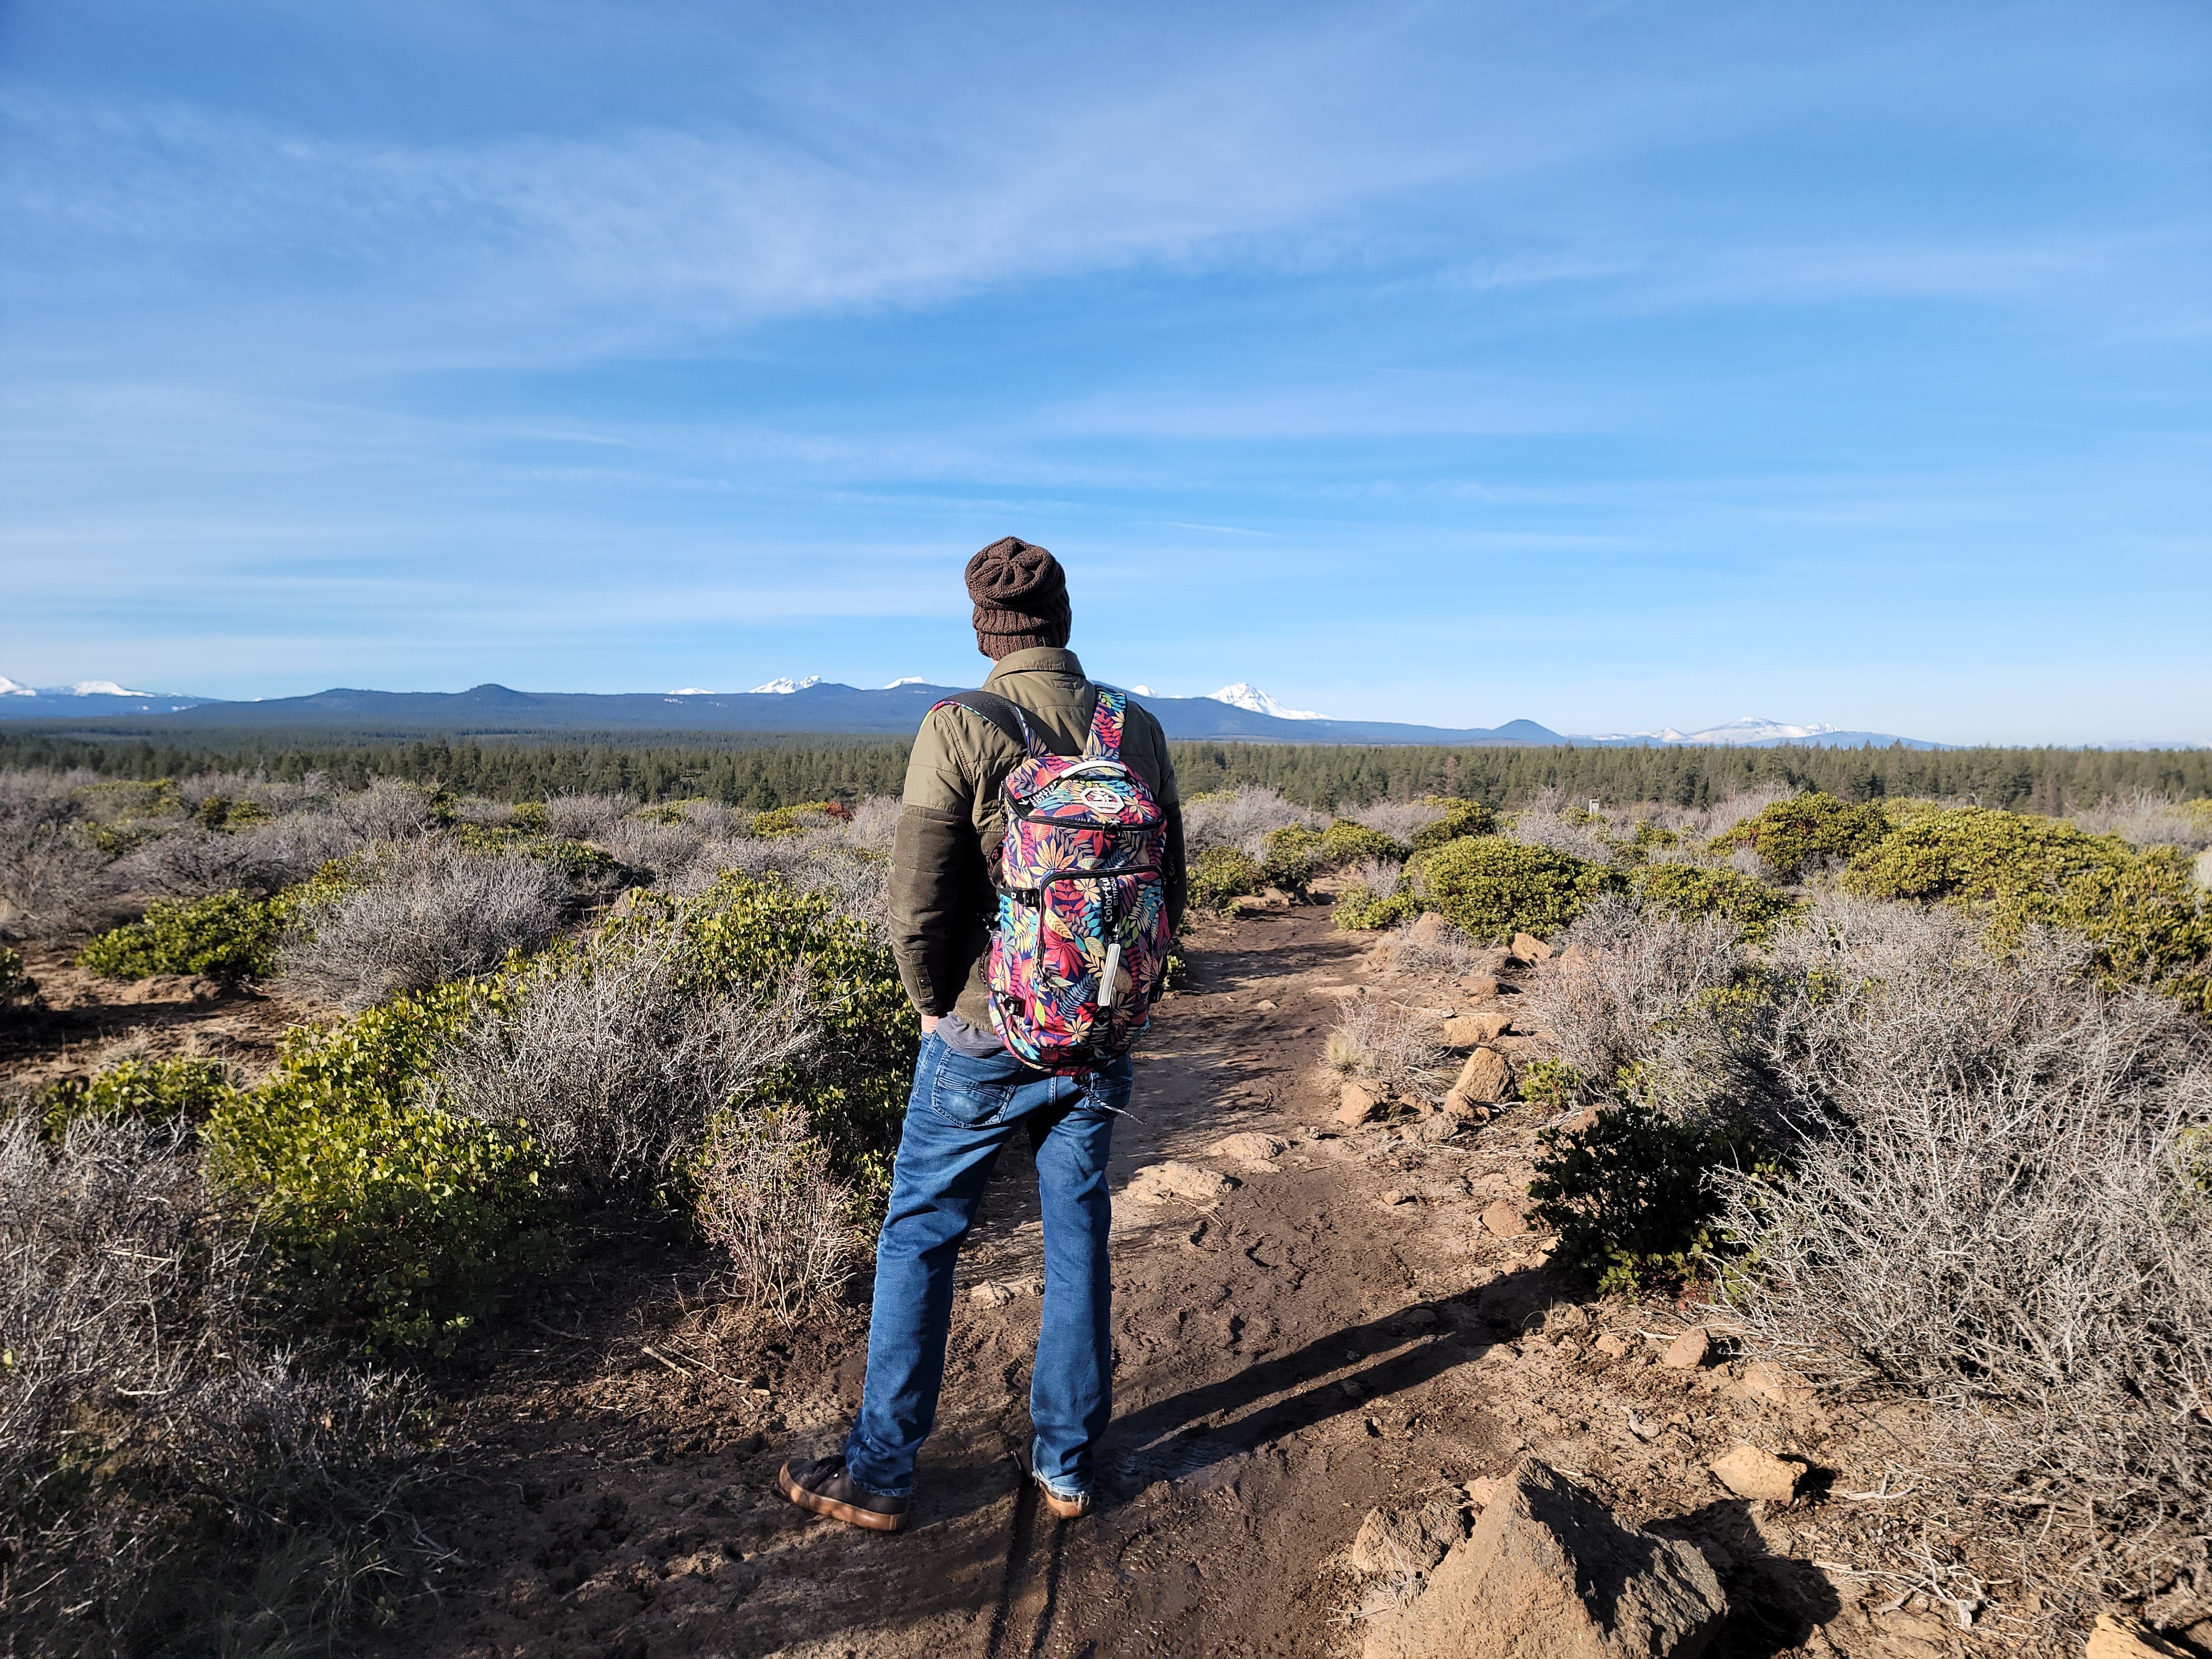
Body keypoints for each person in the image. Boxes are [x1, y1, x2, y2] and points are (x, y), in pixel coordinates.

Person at [777, 536, 1187, 1532]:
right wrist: (1120, 999)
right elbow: (1173, 889)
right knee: (1078, 1235)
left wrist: (932, 1004)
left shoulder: (957, 725)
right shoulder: (1137, 728)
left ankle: (880, 1474)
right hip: (1097, 1028)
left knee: (922, 1236)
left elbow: (919, 902)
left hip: (981, 1028)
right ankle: (1068, 1465)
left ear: (985, 630)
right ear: (1066, 622)